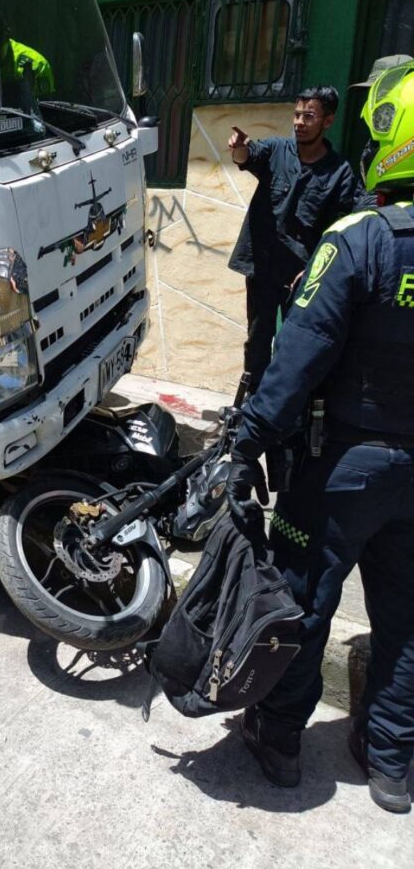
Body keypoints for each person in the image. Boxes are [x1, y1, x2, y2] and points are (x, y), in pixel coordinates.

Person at [226, 58, 414, 814]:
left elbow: (295, 359)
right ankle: (393, 765)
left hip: (342, 464)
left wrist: (246, 444)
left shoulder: (361, 239)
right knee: (405, 618)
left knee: (305, 604)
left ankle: (278, 741)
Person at [228, 87, 358, 390]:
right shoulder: (276, 150)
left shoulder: (340, 173)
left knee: (295, 345)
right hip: (262, 268)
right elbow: (249, 156)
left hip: (302, 276)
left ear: (328, 121)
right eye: (297, 114)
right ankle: (253, 403)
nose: (299, 122)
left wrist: (314, 268)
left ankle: (286, 410)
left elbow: (341, 228)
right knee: (258, 341)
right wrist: (239, 149)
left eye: (309, 116)